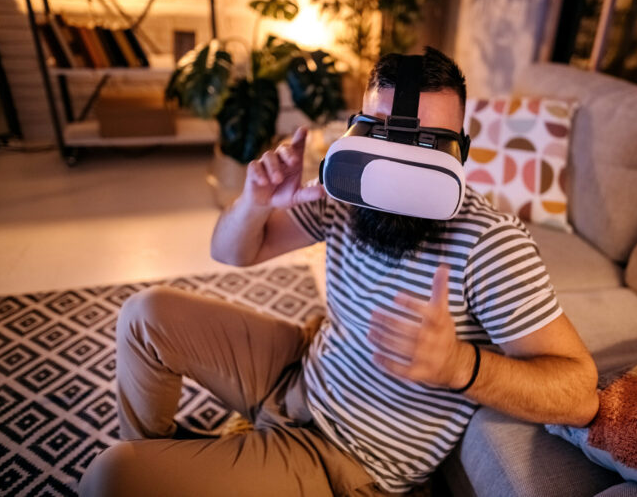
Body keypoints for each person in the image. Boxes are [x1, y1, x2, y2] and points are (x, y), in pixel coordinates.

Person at [79, 47, 599, 497]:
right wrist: (256, 202)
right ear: (359, 127)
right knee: (146, 315)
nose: (398, 164)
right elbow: (231, 252)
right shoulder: (346, 193)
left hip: (346, 459)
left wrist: (463, 367)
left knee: (110, 478)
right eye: (382, 135)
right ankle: (161, 463)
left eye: (427, 145)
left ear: (460, 147)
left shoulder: (489, 244)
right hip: (301, 372)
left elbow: (578, 393)